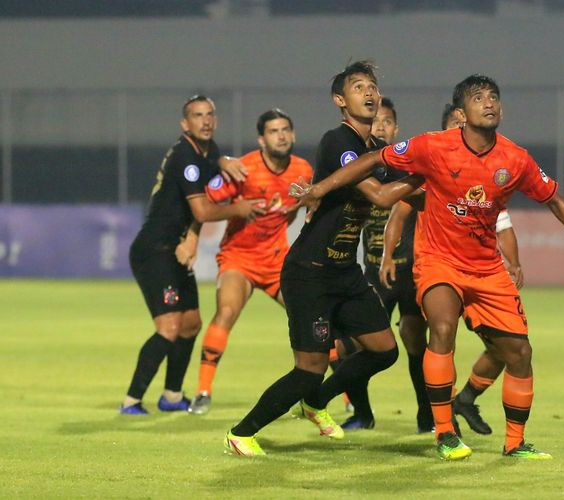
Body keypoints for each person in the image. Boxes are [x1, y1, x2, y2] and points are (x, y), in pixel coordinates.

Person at [293, 74, 564, 461]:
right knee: (441, 327)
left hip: (486, 267)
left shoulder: (515, 159)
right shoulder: (433, 147)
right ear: (461, 112)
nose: (488, 102)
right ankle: (444, 433)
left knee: (519, 351)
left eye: (494, 97)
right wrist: (320, 188)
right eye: (478, 97)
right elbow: (374, 159)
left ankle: (515, 443)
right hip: (438, 261)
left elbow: (555, 200)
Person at [223, 61, 423, 457]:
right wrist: (425, 176)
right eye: (358, 87)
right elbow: (383, 196)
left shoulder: (372, 150)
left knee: (384, 350)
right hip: (310, 273)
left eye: (372, 86)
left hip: (345, 272)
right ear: (340, 100)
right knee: (309, 369)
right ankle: (241, 432)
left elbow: (405, 193)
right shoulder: (339, 142)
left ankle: (317, 402)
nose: (369, 93)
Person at [379, 102, 520, 436]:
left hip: (480, 273)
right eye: (457, 124)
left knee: (507, 347)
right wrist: (387, 255)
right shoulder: (432, 167)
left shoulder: (487, 174)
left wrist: (513, 263)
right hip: (436, 269)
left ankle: (465, 398)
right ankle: (436, 421)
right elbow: (398, 211)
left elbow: (502, 223)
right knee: (430, 336)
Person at [121, 95, 263, 415]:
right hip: (154, 251)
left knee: (191, 325)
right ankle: (131, 400)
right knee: (169, 327)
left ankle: (172, 396)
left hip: (175, 251)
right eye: (198, 116)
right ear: (185, 124)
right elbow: (201, 208)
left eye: (210, 114)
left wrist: (224, 159)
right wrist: (237, 209)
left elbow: (214, 158)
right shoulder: (186, 157)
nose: (206, 120)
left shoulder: (205, 151)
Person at [188, 108, 313, 415]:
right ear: (261, 139)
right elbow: (204, 206)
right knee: (227, 311)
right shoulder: (243, 169)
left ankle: (331, 398)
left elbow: (300, 205)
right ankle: (203, 392)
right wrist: (236, 209)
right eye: (273, 131)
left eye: (285, 129)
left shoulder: (303, 169)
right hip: (238, 259)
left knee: (311, 319)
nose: (281, 135)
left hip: (276, 261)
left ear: (293, 134)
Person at [333, 96, 433, 433]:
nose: (380, 126)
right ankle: (362, 413)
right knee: (346, 345)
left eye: (387, 122)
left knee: (416, 342)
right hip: (374, 272)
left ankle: (426, 416)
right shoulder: (361, 168)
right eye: (376, 122)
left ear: (396, 128)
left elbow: (411, 210)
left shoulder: (410, 169)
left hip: (411, 272)